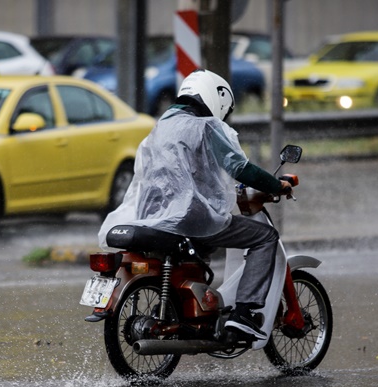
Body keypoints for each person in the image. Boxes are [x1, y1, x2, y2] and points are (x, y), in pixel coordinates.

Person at [99, 68, 292, 340]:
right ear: (216, 98)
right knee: (265, 237)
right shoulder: (205, 127)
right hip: (191, 218)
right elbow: (240, 168)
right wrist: (275, 185)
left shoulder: (160, 126)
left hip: (152, 216)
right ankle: (244, 314)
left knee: (201, 248)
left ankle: (198, 308)